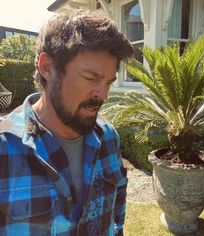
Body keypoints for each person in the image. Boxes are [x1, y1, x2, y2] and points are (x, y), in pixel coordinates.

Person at [0, 9, 133, 236]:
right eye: (91, 78)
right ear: (47, 67)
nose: (103, 94)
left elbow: (117, 214)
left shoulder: (109, 137)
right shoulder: (5, 147)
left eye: (108, 82)